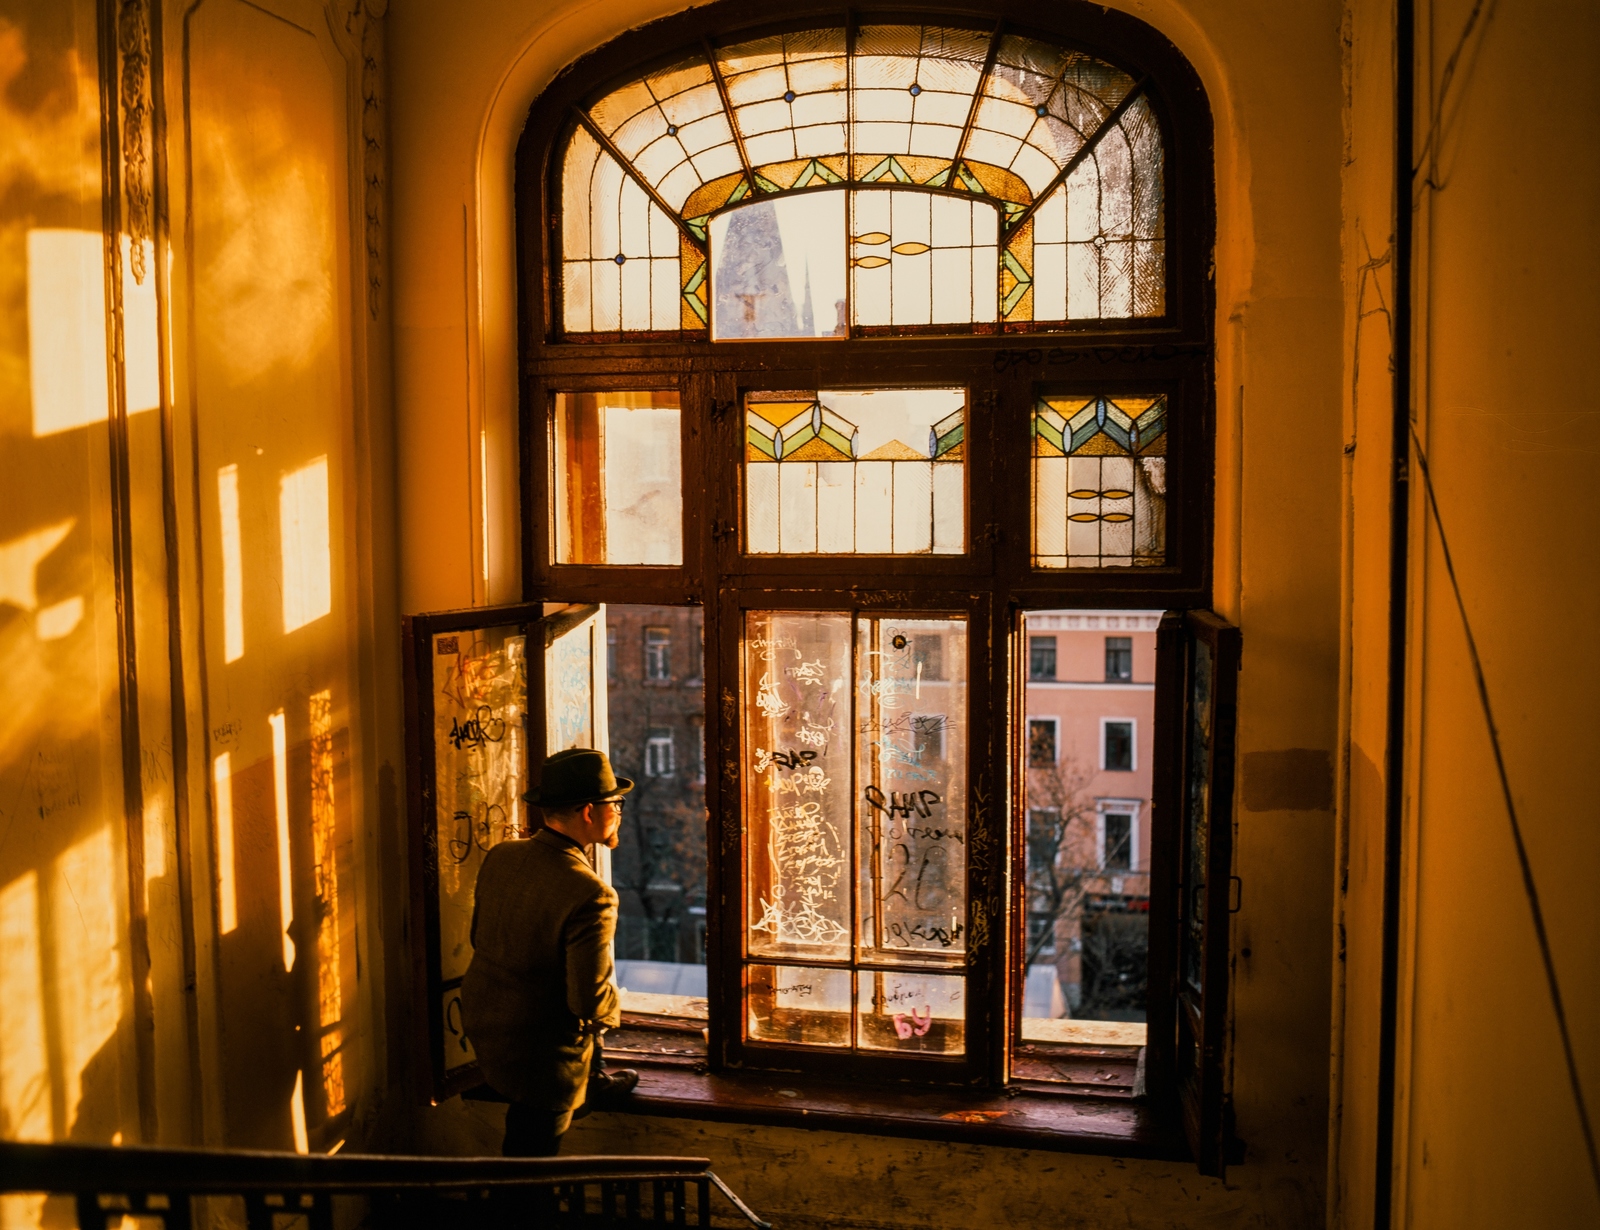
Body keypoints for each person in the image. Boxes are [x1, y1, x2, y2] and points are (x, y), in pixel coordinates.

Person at [461, 747, 640, 1156]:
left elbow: (479, 938)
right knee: (529, 1159)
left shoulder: (502, 855)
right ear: (589, 813)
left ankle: (592, 1083)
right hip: (541, 1057)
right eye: (616, 803)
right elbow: (588, 1000)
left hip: (487, 1023)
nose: (620, 812)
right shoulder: (591, 893)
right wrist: (613, 1013)